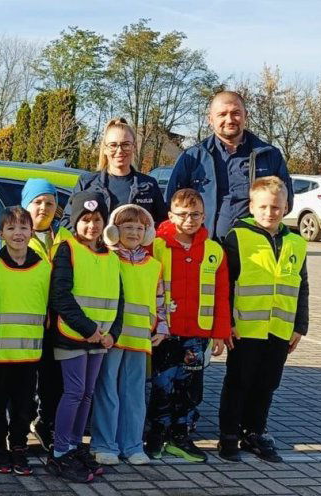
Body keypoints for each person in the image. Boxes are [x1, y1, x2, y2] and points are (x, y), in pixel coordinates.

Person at [217, 176, 308, 463]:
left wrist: (300, 325)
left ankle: (254, 431)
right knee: (239, 382)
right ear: (252, 207)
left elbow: (302, 285)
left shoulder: (296, 242)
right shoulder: (238, 237)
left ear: (286, 207)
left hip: (279, 328)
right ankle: (229, 435)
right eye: (265, 207)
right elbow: (226, 284)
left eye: (277, 207)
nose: (271, 213)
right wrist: (226, 323)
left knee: (267, 383)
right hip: (246, 328)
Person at [146, 188, 230, 462]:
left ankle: (180, 436)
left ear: (204, 215)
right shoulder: (156, 245)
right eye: (182, 214)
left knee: (190, 388)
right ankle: (157, 434)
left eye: (195, 214)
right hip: (165, 333)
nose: (189, 220)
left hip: (197, 334)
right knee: (162, 386)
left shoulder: (214, 251)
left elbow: (221, 294)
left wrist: (220, 332)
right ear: (170, 215)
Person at [46, 190, 122, 484]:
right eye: (85, 220)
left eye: (97, 219)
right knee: (75, 392)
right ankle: (61, 450)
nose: (91, 226)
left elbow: (119, 298)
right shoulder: (67, 250)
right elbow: (60, 296)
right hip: (73, 336)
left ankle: (76, 445)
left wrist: (112, 334)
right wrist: (90, 330)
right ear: (74, 222)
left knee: (88, 393)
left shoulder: (111, 257)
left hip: (100, 339)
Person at [90, 204, 168, 466]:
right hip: (112, 337)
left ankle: (133, 444)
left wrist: (162, 326)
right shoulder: (107, 259)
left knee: (134, 393)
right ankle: (104, 444)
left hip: (140, 338)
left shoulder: (154, 265)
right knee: (107, 390)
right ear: (114, 231)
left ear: (147, 233)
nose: (134, 232)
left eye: (139, 228)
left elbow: (160, 299)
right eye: (127, 227)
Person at [166, 91, 293, 240]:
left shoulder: (270, 155)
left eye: (236, 113)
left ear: (246, 115)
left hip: (256, 247)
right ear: (210, 119)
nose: (229, 119)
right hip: (204, 248)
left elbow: (286, 200)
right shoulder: (193, 157)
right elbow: (172, 203)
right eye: (222, 114)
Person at [0, 207, 48, 476]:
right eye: (11, 228)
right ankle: (0, 448)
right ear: (1, 234)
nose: (18, 233)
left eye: (23, 227)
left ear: (32, 232)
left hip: (30, 353)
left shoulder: (43, 267)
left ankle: (20, 447)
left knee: (24, 406)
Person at [20, 178, 72, 453]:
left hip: (58, 322)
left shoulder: (65, 238)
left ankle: (45, 424)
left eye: (50, 203)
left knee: (53, 379)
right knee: (25, 379)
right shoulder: (18, 235)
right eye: (37, 202)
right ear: (25, 205)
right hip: (28, 320)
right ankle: (18, 428)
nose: (44, 208)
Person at [62, 118, 167, 229]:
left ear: (133, 147)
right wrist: (95, 237)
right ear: (105, 149)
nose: (119, 151)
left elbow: (162, 225)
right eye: (113, 145)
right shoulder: (87, 183)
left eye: (125, 144)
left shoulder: (148, 185)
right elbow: (67, 222)